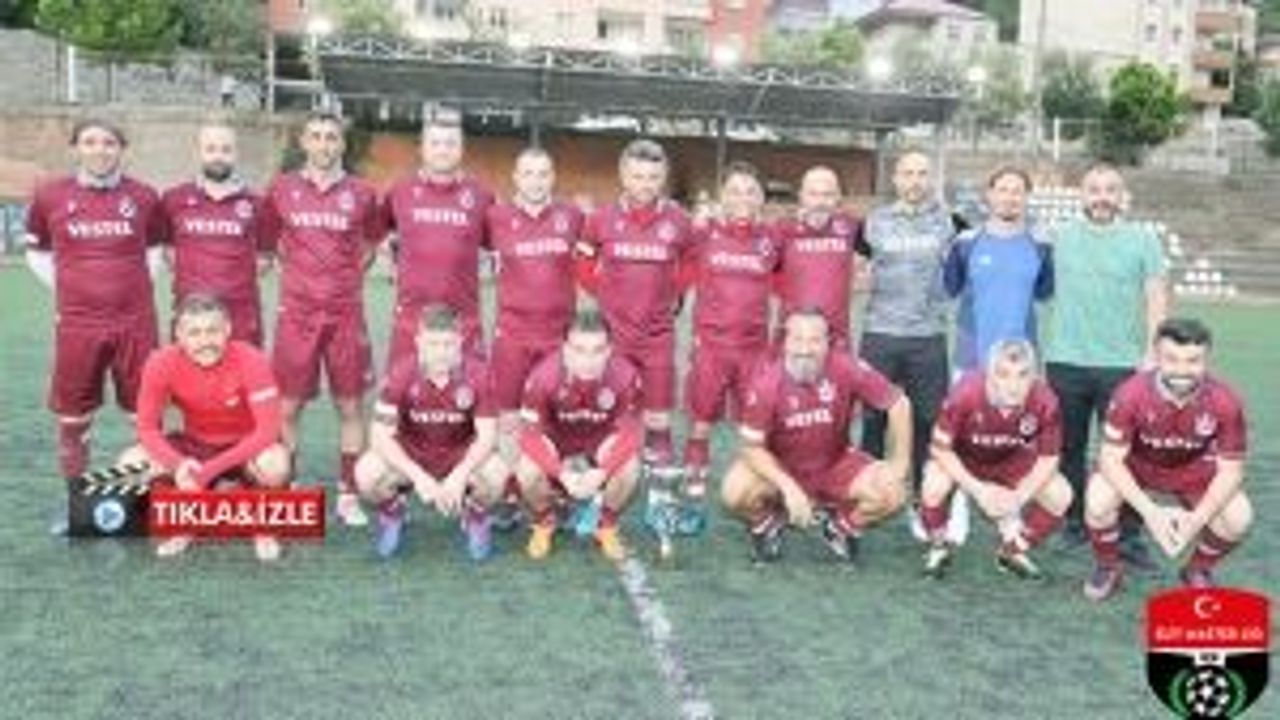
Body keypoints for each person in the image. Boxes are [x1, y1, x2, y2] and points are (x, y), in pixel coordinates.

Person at [25, 118, 165, 535]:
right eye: (90, 141)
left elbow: (155, 250)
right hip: (78, 325)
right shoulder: (50, 195)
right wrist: (71, 288)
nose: (100, 149)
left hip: (134, 324)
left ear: (121, 148)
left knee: (143, 417)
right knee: (74, 419)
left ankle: (143, 500)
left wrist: (130, 291)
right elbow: (37, 253)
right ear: (76, 147)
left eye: (109, 142)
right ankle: (75, 501)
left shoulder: (144, 196)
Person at [261, 110, 386, 527]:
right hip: (296, 316)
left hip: (345, 315)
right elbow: (272, 242)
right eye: (315, 136)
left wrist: (341, 281)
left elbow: (369, 246)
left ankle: (348, 494)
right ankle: (289, 486)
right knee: (287, 406)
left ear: (342, 144)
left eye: (331, 137)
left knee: (350, 405)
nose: (324, 144)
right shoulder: (281, 189)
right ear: (303, 142)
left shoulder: (363, 193)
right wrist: (302, 278)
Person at [1044, 162, 1167, 570]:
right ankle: (1074, 522)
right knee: (1069, 447)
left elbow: (1156, 296)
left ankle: (1130, 533)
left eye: (1110, 189)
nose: (1102, 197)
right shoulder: (1060, 237)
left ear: (1122, 195)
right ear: (1082, 194)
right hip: (1065, 360)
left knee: (1127, 451)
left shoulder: (1143, 239)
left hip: (1123, 365)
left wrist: (1153, 353)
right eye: (1094, 189)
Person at [722, 309, 912, 564]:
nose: (805, 349)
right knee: (734, 492)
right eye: (798, 339)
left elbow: (899, 404)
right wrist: (788, 487)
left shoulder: (846, 366)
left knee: (893, 493)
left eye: (814, 340)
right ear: (785, 342)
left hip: (835, 464)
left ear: (827, 342)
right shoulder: (766, 382)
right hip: (782, 467)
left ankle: (842, 527)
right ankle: (768, 524)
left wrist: (900, 463)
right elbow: (750, 448)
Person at [1083, 318, 1252, 601]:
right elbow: (1111, 460)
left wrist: (1197, 519)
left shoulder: (1225, 400)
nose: (1182, 370)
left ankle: (1197, 569)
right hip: (1138, 466)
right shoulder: (1130, 394)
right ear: (1157, 357)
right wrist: (1151, 513)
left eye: (1193, 360)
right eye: (1171, 359)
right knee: (1098, 501)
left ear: (1207, 359)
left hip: (1194, 471)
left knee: (1238, 517)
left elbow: (1231, 471)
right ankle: (1108, 566)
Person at [120, 294, 290, 561]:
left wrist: (208, 472)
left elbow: (267, 431)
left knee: (276, 463)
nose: (205, 342)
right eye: (194, 333)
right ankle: (187, 522)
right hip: (196, 445)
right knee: (131, 464)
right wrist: (179, 464)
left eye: (213, 331)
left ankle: (264, 528)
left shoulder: (251, 359)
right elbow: (147, 429)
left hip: (245, 446)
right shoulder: (160, 363)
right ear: (179, 335)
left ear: (227, 330)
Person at [355, 305, 507, 561]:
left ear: (460, 342)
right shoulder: (399, 373)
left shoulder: (479, 374)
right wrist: (419, 477)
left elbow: (487, 436)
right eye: (433, 344)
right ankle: (393, 510)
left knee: (497, 473)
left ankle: (475, 513)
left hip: (459, 455)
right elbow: (379, 435)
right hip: (413, 455)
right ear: (418, 343)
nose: (441, 352)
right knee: (366, 473)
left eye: (448, 344)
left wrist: (460, 475)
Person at [576, 139, 693, 464]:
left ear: (663, 178)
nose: (645, 184)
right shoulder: (601, 218)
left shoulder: (678, 220)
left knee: (658, 412)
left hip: (657, 333)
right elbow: (583, 260)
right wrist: (601, 291)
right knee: (610, 402)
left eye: (653, 177)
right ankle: (607, 456)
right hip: (614, 332)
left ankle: (657, 462)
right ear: (623, 176)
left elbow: (693, 259)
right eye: (638, 176)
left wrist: (675, 290)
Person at [858, 149, 955, 535]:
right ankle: (866, 494)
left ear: (930, 179)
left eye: (921, 173)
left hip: (928, 337)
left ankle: (923, 502)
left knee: (928, 421)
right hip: (880, 334)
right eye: (907, 173)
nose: (915, 181)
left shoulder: (949, 223)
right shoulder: (873, 222)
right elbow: (856, 268)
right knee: (873, 419)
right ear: (895, 179)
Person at [919, 340, 1073, 580]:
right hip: (966, 459)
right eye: (1003, 374)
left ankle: (1012, 551)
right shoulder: (965, 392)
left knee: (1061, 494)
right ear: (988, 375)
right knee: (933, 483)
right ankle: (939, 546)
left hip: (1013, 462)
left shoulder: (1045, 400)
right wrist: (979, 491)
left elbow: (1049, 459)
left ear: (1034, 376)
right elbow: (940, 449)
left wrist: (1018, 497)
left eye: (1023, 375)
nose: (1014, 385)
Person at [679, 161, 779, 530]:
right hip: (711, 346)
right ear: (722, 195)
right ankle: (693, 486)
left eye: (751, 191)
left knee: (754, 426)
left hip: (754, 349)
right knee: (700, 422)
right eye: (735, 191)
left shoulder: (772, 239)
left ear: (762, 198)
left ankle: (755, 487)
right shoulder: (703, 233)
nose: (743, 198)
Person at [514, 309, 644, 562]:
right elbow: (529, 437)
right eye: (579, 350)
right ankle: (545, 521)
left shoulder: (627, 376)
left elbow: (630, 435)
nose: (588, 360)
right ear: (565, 349)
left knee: (630, 467)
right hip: (558, 447)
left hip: (600, 447)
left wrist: (602, 472)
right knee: (526, 470)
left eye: (598, 350)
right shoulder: (542, 377)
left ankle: (605, 524)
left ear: (609, 350)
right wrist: (560, 473)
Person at [486, 147, 584, 456]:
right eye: (528, 173)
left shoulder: (573, 216)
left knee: (557, 413)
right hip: (512, 335)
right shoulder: (495, 217)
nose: (535, 181)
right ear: (516, 177)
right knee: (508, 417)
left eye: (543, 174)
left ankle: (555, 474)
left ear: (553, 178)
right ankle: (511, 478)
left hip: (558, 336)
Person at [382, 108, 494, 364]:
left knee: (468, 389)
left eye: (450, 143)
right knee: (403, 388)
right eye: (435, 143)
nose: (443, 150)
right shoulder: (400, 192)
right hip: (411, 322)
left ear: (462, 149)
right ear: (422, 148)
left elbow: (497, 245)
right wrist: (390, 256)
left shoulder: (482, 196)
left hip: (463, 323)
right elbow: (377, 231)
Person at [160, 123, 269, 345]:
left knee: (243, 367)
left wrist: (231, 284)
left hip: (240, 311)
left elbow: (265, 258)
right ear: (198, 152)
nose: (218, 156)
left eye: (226, 149)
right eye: (210, 149)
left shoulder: (257, 203)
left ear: (236, 153)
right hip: (191, 309)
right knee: (187, 367)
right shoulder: (173, 199)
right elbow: (169, 252)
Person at [944, 166, 1053, 372]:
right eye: (1003, 190)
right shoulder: (964, 243)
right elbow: (950, 290)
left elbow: (1044, 295)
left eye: (1017, 191)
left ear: (1027, 197)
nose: (1009, 198)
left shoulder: (1042, 246)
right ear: (990, 194)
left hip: (1020, 363)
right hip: (971, 359)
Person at [774, 166, 862, 349]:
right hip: (794, 339)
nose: (820, 202)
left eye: (828, 194)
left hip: (836, 340)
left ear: (838, 197)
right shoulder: (782, 230)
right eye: (813, 194)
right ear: (801, 196)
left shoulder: (852, 228)